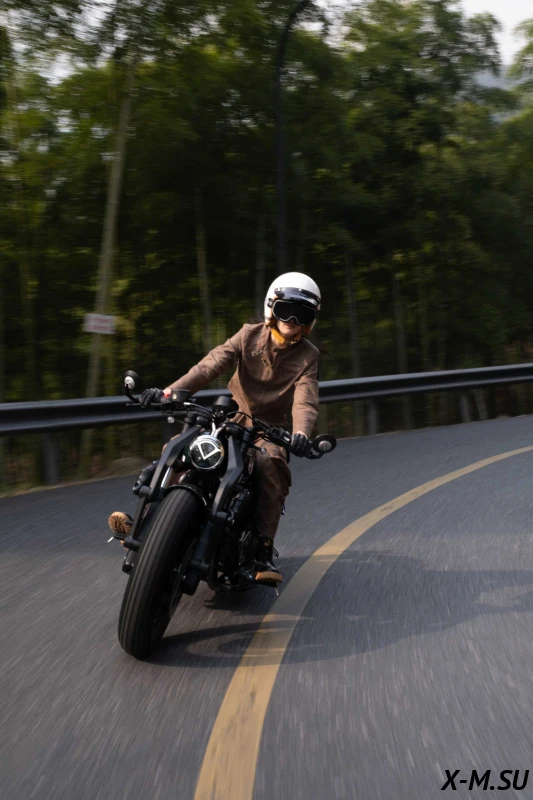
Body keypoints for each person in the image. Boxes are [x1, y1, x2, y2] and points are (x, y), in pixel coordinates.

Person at [108, 271, 321, 583]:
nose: (292, 319)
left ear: (310, 321)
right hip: (230, 417)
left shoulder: (308, 356)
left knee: (271, 462)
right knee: (178, 446)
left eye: (302, 314)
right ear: (271, 307)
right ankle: (145, 522)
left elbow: (306, 399)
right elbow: (210, 365)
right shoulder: (248, 335)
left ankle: (262, 550)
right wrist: (169, 393)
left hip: (268, 430)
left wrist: (301, 433)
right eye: (285, 309)